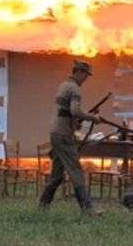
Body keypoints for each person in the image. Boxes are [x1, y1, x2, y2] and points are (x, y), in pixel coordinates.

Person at [38, 58, 101, 216]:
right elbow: (75, 110)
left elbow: (65, 112)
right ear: (78, 72)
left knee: (57, 175)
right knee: (76, 171)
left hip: (57, 133)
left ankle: (42, 209)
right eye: (86, 75)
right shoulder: (74, 89)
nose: (86, 79)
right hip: (64, 135)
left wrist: (78, 120)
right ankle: (88, 211)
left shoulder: (63, 86)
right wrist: (92, 118)